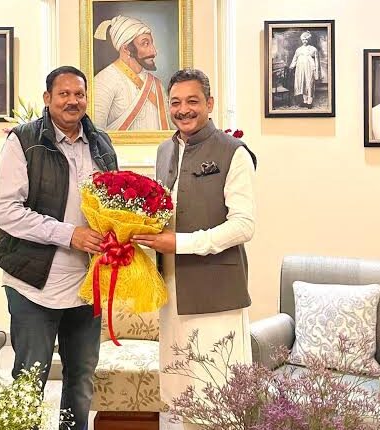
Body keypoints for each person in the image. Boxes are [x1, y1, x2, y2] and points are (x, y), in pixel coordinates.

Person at [0, 66, 118, 430]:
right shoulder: (23, 141)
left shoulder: (101, 143)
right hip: (33, 284)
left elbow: (113, 203)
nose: (72, 101)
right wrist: (69, 235)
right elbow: (8, 211)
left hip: (86, 286)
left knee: (81, 380)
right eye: (63, 94)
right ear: (47, 99)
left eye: (79, 94)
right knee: (29, 381)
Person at [133, 68, 257, 430]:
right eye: (175, 102)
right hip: (171, 292)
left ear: (210, 103)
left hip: (216, 293)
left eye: (192, 101)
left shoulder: (234, 152)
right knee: (182, 394)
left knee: (218, 395)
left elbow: (244, 226)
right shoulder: (164, 151)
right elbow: (161, 212)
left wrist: (181, 243)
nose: (183, 109)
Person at [93, 15, 171, 131]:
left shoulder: (157, 84)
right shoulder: (103, 81)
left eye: (151, 43)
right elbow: (96, 132)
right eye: (145, 44)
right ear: (126, 49)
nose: (154, 51)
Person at [289, 30, 320, 108]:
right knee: (303, 84)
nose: (304, 41)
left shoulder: (313, 49)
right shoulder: (299, 49)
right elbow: (295, 59)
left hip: (310, 68)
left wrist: (316, 72)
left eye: (306, 39)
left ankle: (309, 102)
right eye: (303, 40)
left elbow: (317, 61)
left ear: (309, 40)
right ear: (301, 40)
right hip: (300, 69)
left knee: (309, 84)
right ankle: (305, 101)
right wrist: (291, 66)